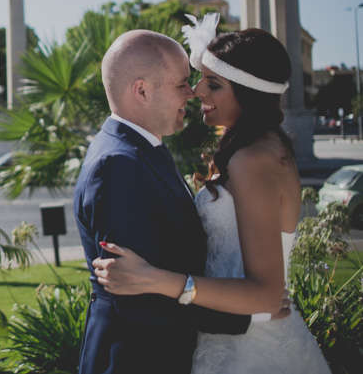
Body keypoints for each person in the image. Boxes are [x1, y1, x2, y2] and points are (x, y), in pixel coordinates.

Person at [91, 15, 329, 373]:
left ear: (248, 94)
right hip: (226, 334)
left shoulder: (253, 160)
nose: (197, 91)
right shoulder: (250, 149)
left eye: (213, 84)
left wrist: (161, 280)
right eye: (200, 78)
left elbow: (266, 295)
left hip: (251, 351)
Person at [74, 28, 255, 374]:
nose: (192, 92)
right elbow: (137, 298)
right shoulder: (118, 165)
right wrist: (245, 312)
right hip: (136, 359)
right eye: (181, 84)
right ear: (141, 90)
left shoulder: (139, 147)